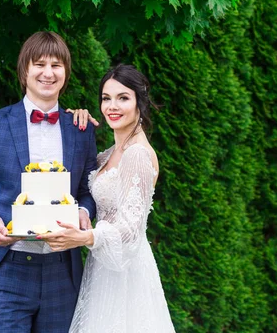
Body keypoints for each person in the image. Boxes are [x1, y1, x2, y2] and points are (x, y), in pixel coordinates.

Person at [0, 31, 98, 333]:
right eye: (40, 64)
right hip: (6, 267)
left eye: (56, 65)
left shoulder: (81, 129)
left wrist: (84, 213)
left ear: (66, 72)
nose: (48, 73)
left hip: (62, 270)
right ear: (24, 70)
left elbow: (87, 192)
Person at [39, 64, 176, 332]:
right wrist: (75, 122)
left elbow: (130, 231)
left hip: (126, 276)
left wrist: (88, 237)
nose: (112, 106)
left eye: (123, 98)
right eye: (106, 98)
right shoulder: (111, 153)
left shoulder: (137, 154)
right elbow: (80, 174)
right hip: (102, 267)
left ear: (140, 102)